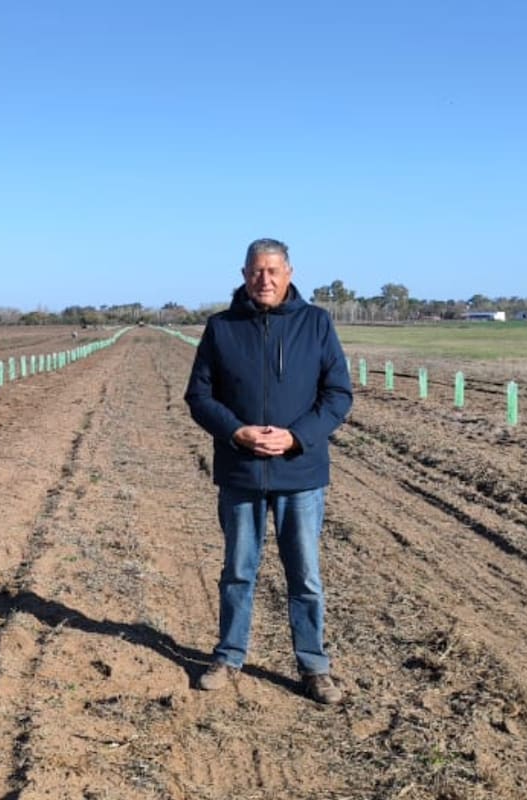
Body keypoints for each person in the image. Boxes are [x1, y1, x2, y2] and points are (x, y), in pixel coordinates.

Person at [184, 237, 353, 704]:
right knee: (238, 570)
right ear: (243, 275)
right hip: (240, 473)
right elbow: (199, 397)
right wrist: (235, 432)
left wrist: (297, 436)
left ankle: (314, 665)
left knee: (305, 574)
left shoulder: (316, 324)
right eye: (256, 272)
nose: (265, 280)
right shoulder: (221, 328)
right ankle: (229, 654)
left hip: (300, 474)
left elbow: (338, 395)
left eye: (274, 271)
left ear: (290, 273)